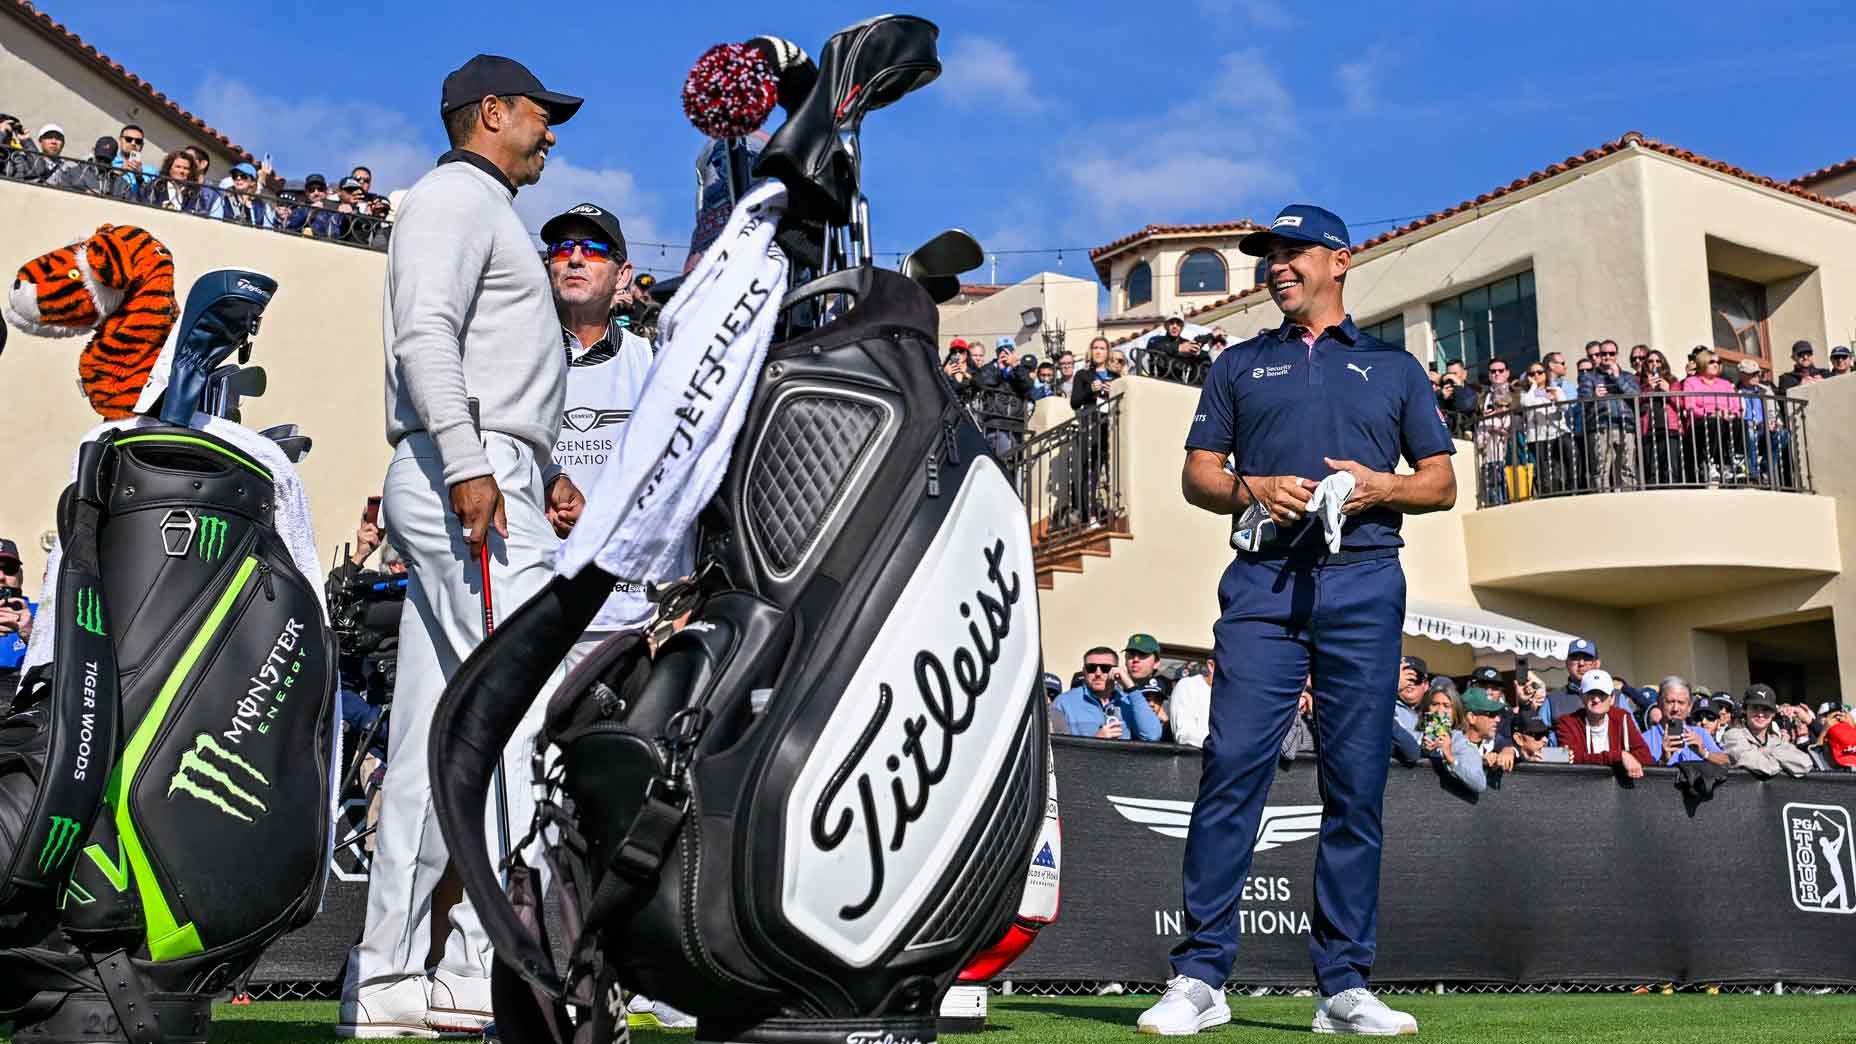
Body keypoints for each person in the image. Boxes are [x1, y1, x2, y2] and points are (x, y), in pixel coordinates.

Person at [1141, 204, 1453, 1037]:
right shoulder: (1239, 364)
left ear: (1339, 262)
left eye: (1292, 253)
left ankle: (1343, 986)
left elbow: (1440, 481)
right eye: (1268, 257)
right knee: (1232, 763)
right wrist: (1254, 488)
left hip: (1364, 582)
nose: (1276, 266)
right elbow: (1198, 475)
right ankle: (1201, 978)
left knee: (1355, 785)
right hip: (1263, 585)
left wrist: (1381, 486)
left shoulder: (1394, 366)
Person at [339, 54, 586, 1038]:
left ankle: (395, 979)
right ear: (491, 112)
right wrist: (470, 461)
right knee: (517, 724)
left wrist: (537, 461)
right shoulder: (454, 198)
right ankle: (484, 968)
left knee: (420, 756)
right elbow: (424, 336)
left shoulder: (476, 207)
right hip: (468, 483)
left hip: (478, 472)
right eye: (539, 114)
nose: (550, 132)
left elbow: (470, 351)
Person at [541, 201, 684, 664]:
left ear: (623, 275)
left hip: (629, 619)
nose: (576, 258)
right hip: (531, 610)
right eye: (563, 248)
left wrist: (677, 599)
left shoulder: (654, 365)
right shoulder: (515, 364)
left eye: (593, 249)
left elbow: (678, 486)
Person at [1552, 669, 1651, 778]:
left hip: (1619, 790)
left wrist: (1623, 758)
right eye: (1590, 693)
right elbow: (1570, 757)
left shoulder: (1622, 717)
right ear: (1581, 696)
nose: (1596, 699)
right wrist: (1619, 756)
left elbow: (1645, 756)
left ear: (1612, 697)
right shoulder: (1567, 722)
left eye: (1602, 694)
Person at [1048, 647, 1163, 741]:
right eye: (1091, 668)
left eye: (1105, 668)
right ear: (1084, 671)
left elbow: (1152, 736)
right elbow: (1059, 751)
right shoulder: (1063, 702)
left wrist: (1130, 686)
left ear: (1116, 671)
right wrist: (1096, 741)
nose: (1098, 673)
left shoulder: (1128, 702)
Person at [1579, 339, 1640, 492]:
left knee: (1627, 468)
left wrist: (1617, 377)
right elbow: (1582, 401)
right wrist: (1593, 395)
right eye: (1603, 353)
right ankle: (1602, 504)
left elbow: (1636, 396)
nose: (1607, 357)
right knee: (1600, 469)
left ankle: (1628, 500)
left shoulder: (1627, 376)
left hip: (1625, 426)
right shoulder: (1589, 377)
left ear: (1616, 355)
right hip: (1600, 427)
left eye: (1611, 353)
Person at [1721, 685, 1813, 778]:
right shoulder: (1733, 735)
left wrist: (1766, 751)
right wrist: (1783, 764)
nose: (1760, 714)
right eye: (1755, 708)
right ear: (1745, 710)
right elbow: (1764, 768)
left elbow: (1805, 764)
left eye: (1766, 709)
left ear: (1773, 713)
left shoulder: (1776, 741)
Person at [1640, 676, 1728, 767]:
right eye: (1670, 702)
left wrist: (1704, 752)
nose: (1675, 709)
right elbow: (1642, 777)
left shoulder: (1700, 733)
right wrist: (1663, 760)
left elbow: (1726, 761)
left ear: (1689, 707)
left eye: (1681, 703)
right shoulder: (1645, 739)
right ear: (1659, 703)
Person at [0, 539, 35, 702]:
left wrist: (31, 633)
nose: (1, 577)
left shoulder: (44, 614)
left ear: (20, 575)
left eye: (8, 569)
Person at [1546, 638, 1602, 724]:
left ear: (1597, 663)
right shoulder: (1552, 700)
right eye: (1575, 658)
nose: (1581, 663)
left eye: (1587, 658)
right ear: (1567, 663)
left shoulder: (1615, 697)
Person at [1171, 656, 1213, 749]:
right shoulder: (1188, 686)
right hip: (1197, 760)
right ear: (1211, 666)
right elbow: (1184, 736)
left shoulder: (1236, 693)